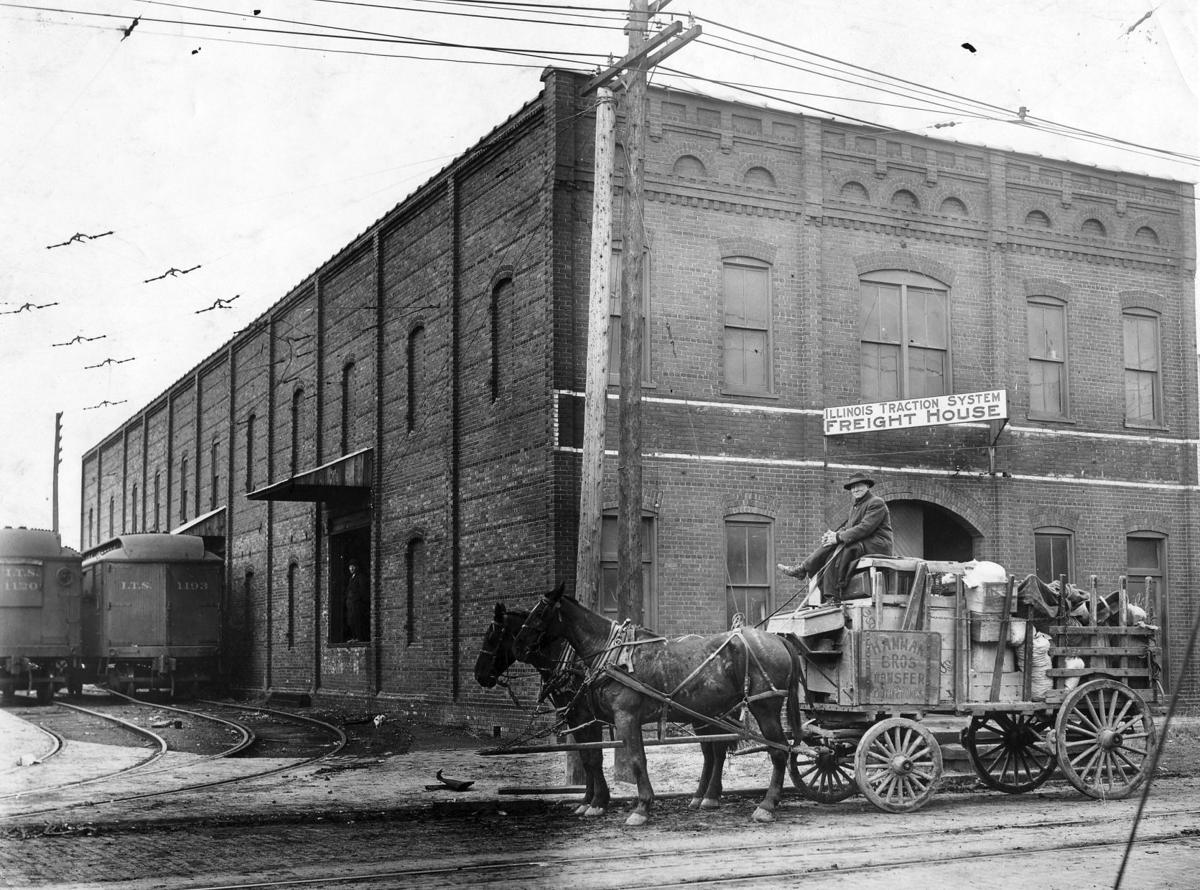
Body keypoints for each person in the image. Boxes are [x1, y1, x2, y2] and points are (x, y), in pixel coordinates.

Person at [778, 472, 894, 600]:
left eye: (859, 486)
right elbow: (849, 527)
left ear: (867, 486)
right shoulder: (855, 506)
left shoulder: (876, 503)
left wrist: (838, 537)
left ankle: (821, 581)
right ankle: (826, 591)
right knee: (829, 551)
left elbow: (865, 528)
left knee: (844, 550)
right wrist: (832, 536)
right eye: (853, 487)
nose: (855, 489)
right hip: (864, 540)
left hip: (877, 544)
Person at [344, 559, 369, 643]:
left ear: (356, 567)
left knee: (357, 620)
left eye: (353, 566)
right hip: (351, 604)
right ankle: (354, 637)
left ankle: (359, 638)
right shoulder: (351, 578)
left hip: (357, 603)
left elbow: (363, 591)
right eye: (350, 567)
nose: (351, 568)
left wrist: (357, 599)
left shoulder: (360, 577)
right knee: (351, 621)